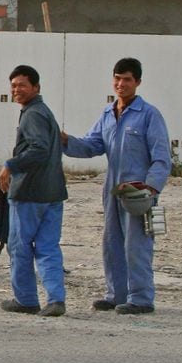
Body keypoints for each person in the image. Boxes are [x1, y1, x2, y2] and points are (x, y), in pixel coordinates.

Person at [61, 58, 171, 314]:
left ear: (138, 83)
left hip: (138, 192)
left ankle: (141, 298)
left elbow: (162, 158)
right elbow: (92, 145)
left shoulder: (149, 115)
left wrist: (151, 190)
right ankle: (116, 294)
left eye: (127, 80)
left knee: (137, 245)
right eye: (117, 78)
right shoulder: (108, 114)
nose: (121, 84)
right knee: (111, 243)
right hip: (113, 191)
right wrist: (65, 140)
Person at [0, 65, 68, 317]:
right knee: (48, 247)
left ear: (36, 88)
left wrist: (10, 165)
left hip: (30, 194)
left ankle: (26, 299)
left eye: (22, 85)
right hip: (53, 192)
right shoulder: (42, 111)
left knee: (20, 246)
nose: (16, 89)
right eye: (13, 85)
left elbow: (38, 150)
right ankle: (56, 299)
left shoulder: (32, 114)